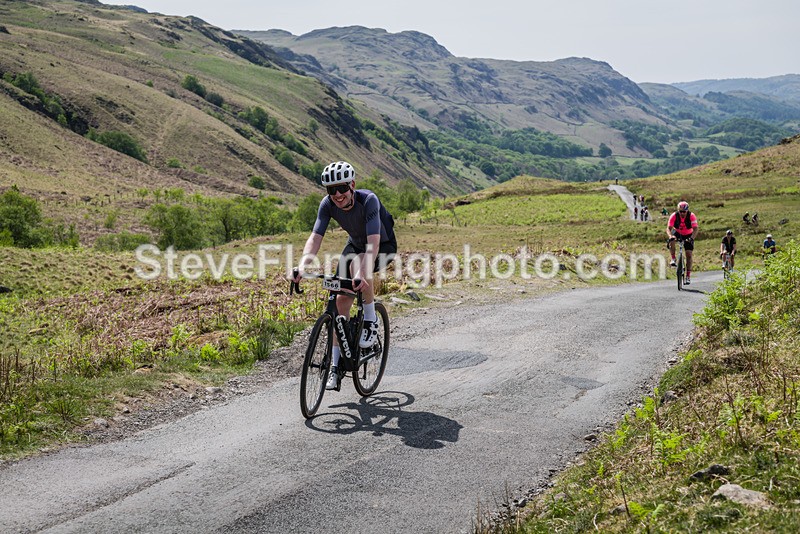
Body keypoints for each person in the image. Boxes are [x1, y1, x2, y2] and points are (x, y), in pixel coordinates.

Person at [292, 161, 397, 390]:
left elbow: (373, 245)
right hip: (355, 244)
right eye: (331, 190)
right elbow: (315, 237)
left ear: (352, 185)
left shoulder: (368, 200)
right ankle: (335, 367)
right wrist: (302, 266)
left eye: (341, 188)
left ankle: (370, 320)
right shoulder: (327, 204)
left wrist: (361, 274)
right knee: (340, 302)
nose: (337, 194)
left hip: (381, 246)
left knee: (359, 264)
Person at [666, 201, 698, 284]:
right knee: (672, 240)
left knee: (689, 255)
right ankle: (673, 258)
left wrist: (692, 238)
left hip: (688, 234)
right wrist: (670, 236)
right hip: (677, 232)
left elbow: (695, 229)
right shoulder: (674, 216)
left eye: (684, 212)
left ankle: (688, 276)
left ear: (687, 211)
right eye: (680, 211)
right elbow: (668, 228)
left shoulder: (691, 216)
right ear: (678, 210)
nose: (682, 213)